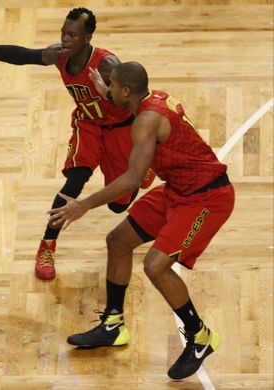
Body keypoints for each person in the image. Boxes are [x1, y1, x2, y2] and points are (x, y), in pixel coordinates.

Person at [48, 61, 235, 380]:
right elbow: (126, 104)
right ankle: (112, 324)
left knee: (155, 265)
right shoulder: (154, 99)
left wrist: (84, 205)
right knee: (117, 241)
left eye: (112, 84)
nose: (107, 87)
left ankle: (200, 336)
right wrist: (105, 92)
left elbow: (133, 178)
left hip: (206, 198)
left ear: (126, 92)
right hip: (178, 190)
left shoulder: (146, 119)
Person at [0, 7, 155, 280]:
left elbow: (138, 101)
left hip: (119, 129)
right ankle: (47, 244)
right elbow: (23, 55)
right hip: (88, 125)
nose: (66, 39)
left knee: (117, 205)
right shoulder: (58, 56)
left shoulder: (107, 65)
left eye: (73, 35)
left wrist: (109, 95)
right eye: (64, 33)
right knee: (73, 183)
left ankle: (144, 167)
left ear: (87, 38)